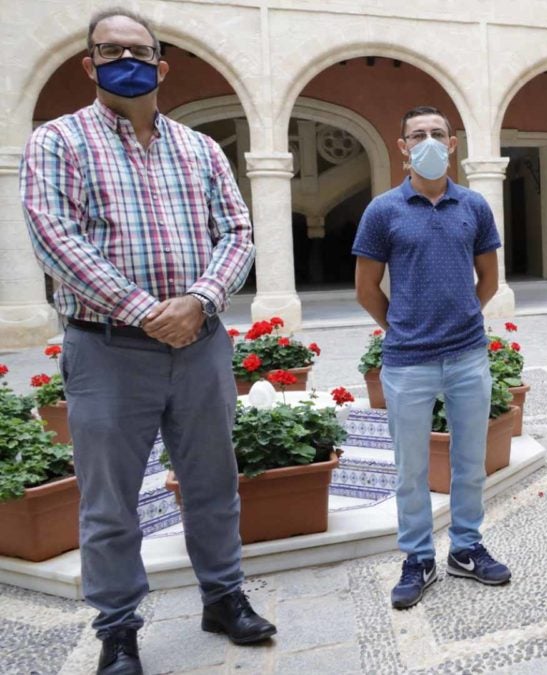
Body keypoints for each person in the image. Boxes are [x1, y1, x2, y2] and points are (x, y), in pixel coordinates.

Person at [19, 9, 271, 675]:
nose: (124, 58)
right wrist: (145, 310)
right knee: (110, 500)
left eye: (138, 50)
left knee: (214, 482)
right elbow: (53, 236)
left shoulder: (200, 148)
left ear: (161, 65)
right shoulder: (57, 141)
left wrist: (201, 302)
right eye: (110, 49)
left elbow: (238, 232)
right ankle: (119, 629)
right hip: (106, 349)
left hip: (201, 344)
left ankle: (223, 596)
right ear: (89, 62)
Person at [353, 105, 511, 609]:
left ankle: (465, 549)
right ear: (402, 148)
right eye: (417, 134)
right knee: (411, 470)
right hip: (407, 362)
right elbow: (366, 288)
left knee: (468, 463)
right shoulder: (383, 211)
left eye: (437, 134)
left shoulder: (475, 207)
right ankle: (418, 557)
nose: (428, 141)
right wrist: (402, 326)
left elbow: (488, 278)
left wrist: (464, 316)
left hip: (467, 356)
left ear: (453, 143)